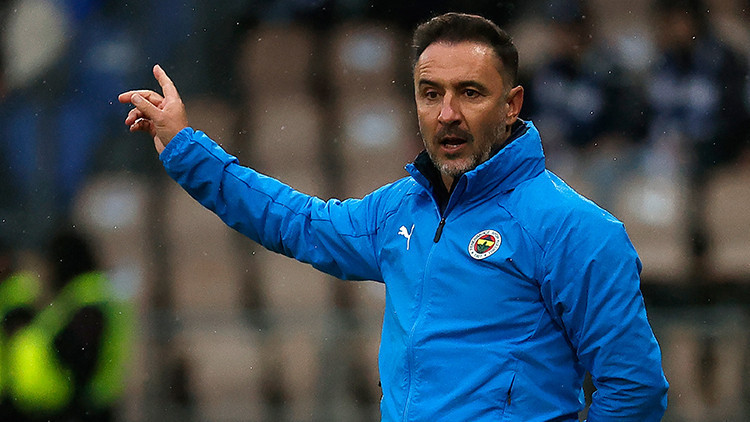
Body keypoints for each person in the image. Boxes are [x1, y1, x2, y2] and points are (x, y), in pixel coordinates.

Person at [119, 12, 668, 421]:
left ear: (511, 105)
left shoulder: (576, 229)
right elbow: (297, 222)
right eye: (431, 94)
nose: (447, 113)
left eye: (470, 93)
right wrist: (187, 149)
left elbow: (635, 388)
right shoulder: (399, 209)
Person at [5, 230, 133, 422]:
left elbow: (78, 355)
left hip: (76, 410)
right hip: (79, 406)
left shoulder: (86, 296)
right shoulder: (88, 294)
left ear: (62, 262)